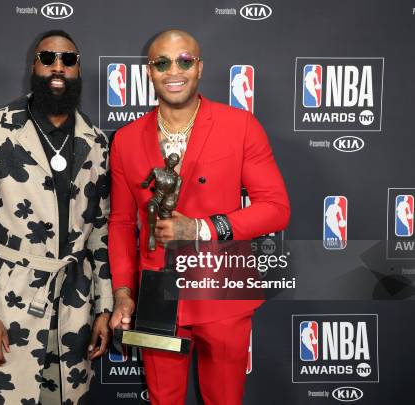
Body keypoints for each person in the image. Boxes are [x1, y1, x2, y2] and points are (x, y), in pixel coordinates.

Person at [109, 30, 290, 405]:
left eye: (184, 60)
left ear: (200, 67)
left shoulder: (239, 125)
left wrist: (203, 227)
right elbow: (123, 224)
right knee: (164, 400)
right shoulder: (125, 139)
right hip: (157, 293)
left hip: (222, 287)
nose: (173, 70)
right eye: (162, 62)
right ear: (149, 72)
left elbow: (276, 208)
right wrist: (123, 293)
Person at [0, 30, 112, 405]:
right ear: (34, 65)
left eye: (68, 60)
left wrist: (103, 307)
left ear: (78, 70)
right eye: (48, 58)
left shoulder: (96, 141)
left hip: (75, 307)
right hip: (11, 303)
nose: (58, 67)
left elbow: (100, 233)